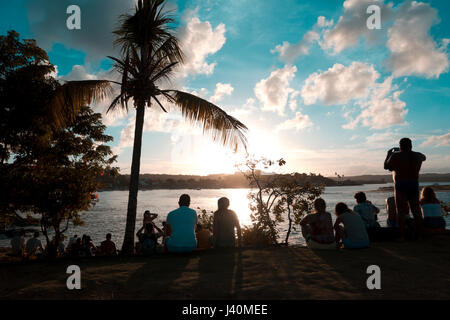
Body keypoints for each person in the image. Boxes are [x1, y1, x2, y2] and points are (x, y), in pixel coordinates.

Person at [384, 138, 426, 239]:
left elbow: (386, 166)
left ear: (400, 146)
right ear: (411, 145)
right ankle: (420, 234)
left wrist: (388, 154)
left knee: (401, 211)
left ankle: (401, 236)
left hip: (400, 184)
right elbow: (424, 157)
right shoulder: (418, 155)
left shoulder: (396, 155)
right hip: (413, 183)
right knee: (416, 210)